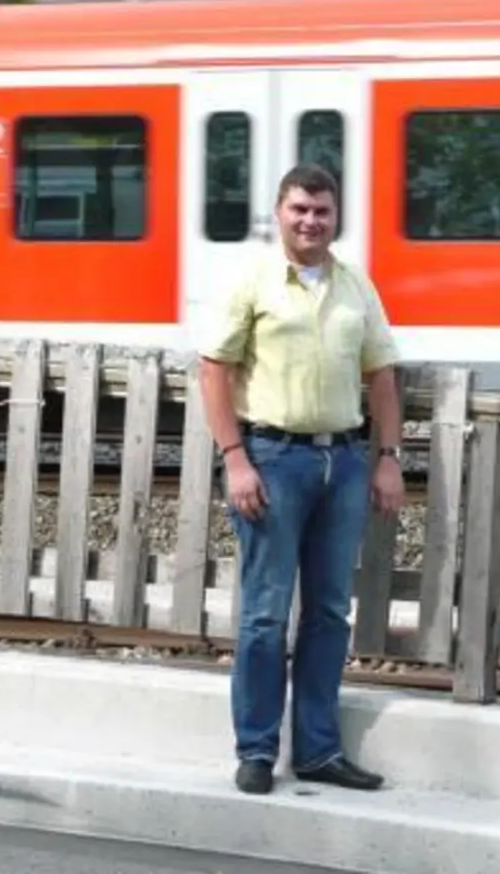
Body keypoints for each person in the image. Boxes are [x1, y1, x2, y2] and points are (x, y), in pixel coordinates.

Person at [194, 163, 406, 796]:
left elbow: (383, 378)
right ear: (279, 213)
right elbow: (212, 370)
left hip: (341, 463)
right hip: (272, 459)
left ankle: (317, 751)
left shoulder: (355, 286)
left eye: (322, 211)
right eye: (300, 210)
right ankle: (257, 750)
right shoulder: (251, 281)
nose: (311, 221)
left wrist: (388, 457)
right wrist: (235, 458)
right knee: (264, 615)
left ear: (336, 217)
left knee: (330, 615)